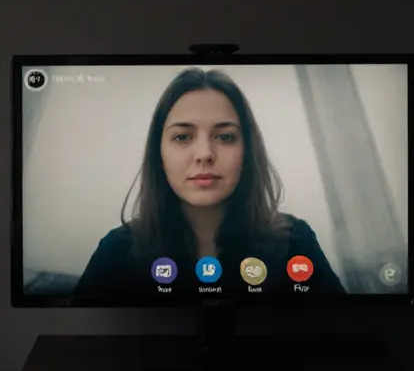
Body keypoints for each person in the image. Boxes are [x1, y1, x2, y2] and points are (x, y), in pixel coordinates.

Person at [75, 67, 345, 297]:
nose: (204, 154)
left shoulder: (296, 241)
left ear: (247, 152)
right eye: (182, 137)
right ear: (159, 155)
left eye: (225, 137)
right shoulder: (117, 250)